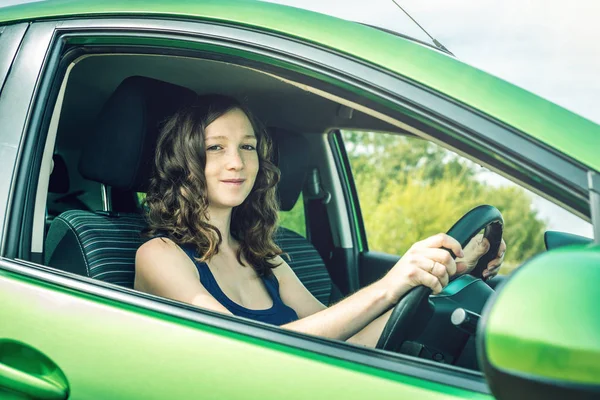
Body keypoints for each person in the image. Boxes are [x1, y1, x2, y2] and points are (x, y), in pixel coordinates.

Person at [134, 94, 506, 348]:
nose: (237, 162)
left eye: (247, 146)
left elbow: (341, 338)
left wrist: (445, 272)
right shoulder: (159, 255)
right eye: (215, 147)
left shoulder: (265, 257)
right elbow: (246, 349)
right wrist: (389, 285)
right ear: (182, 161)